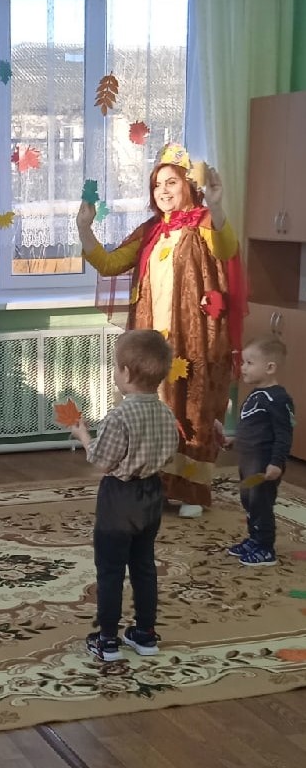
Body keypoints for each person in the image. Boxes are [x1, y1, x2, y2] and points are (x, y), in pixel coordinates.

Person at [76, 143, 246, 517]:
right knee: (156, 408)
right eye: (157, 185)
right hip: (153, 338)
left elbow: (227, 247)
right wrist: (84, 228)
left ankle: (192, 491)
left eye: (171, 182)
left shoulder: (205, 224)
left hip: (194, 337)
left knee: (193, 406)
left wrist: (217, 207)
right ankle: (158, 483)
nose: (163, 191)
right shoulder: (152, 230)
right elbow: (109, 263)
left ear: (188, 185)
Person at [69, 329, 179, 662]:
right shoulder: (166, 413)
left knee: (111, 568)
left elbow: (103, 462)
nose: (115, 373)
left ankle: (107, 640)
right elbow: (169, 455)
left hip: (120, 497)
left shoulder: (118, 416)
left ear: (126, 373)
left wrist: (83, 435)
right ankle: (145, 634)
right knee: (144, 564)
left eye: (116, 367)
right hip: (152, 493)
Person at [227, 336, 294, 567]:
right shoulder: (257, 394)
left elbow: (284, 434)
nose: (243, 367)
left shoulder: (278, 398)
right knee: (249, 501)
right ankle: (254, 539)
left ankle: (266, 548)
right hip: (248, 461)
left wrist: (277, 462)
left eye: (249, 363)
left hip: (264, 463)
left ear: (270, 367)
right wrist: (233, 439)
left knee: (261, 503)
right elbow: (253, 427)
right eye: (243, 362)